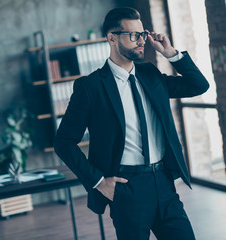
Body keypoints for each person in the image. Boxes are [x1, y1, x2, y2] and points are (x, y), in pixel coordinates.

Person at [54, 7, 209, 240]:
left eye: (142, 34)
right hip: (127, 187)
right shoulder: (91, 86)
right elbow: (63, 142)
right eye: (133, 35)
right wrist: (98, 182)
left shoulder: (150, 75)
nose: (141, 41)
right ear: (112, 38)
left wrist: (171, 53)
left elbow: (199, 86)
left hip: (164, 183)